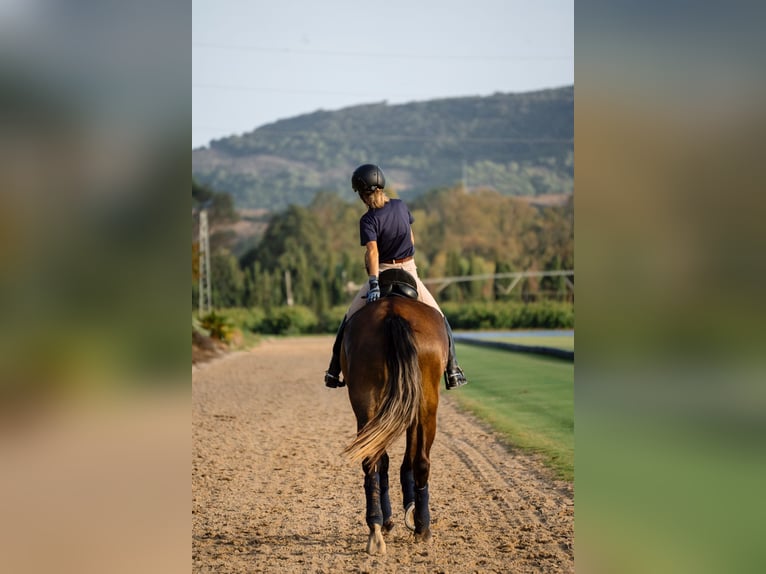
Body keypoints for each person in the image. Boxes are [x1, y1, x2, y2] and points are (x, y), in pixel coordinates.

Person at [324, 163, 468, 390]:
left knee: (348, 320)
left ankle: (334, 371)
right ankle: (453, 370)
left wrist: (373, 284)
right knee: (440, 317)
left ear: (362, 194)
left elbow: (372, 252)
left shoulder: (368, 220)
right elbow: (411, 240)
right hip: (409, 271)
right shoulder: (401, 206)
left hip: (381, 274)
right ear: (382, 186)